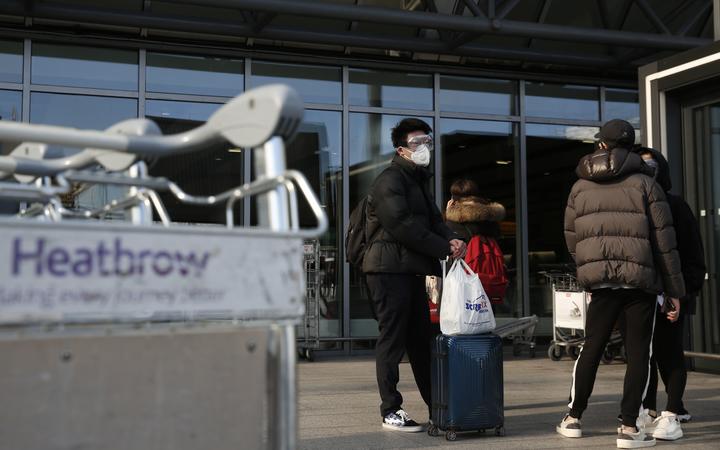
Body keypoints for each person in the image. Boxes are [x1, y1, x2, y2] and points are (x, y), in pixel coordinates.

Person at [557, 119, 686, 449]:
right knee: (640, 353)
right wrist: (674, 290)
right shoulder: (647, 184)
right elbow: (664, 243)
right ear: (631, 147)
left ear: (601, 144)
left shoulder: (579, 187)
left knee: (591, 347)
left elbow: (573, 238)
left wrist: (589, 271)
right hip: (640, 283)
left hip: (600, 284)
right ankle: (629, 426)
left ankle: (573, 417)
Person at [362, 118, 466, 432]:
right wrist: (442, 247)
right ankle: (390, 409)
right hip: (387, 270)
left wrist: (452, 238)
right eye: (418, 142)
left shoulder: (417, 181)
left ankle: (438, 407)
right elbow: (402, 224)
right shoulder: (389, 180)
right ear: (402, 149)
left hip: (410, 270)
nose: (425, 147)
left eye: (428, 141)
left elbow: (434, 220)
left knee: (421, 341)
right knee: (392, 339)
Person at [632, 147, 706, 441]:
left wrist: (684, 291)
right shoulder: (632, 202)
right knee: (643, 355)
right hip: (642, 291)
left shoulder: (676, 205)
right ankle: (648, 408)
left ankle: (673, 410)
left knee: (670, 353)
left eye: (652, 165)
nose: (648, 170)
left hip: (673, 291)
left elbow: (692, 252)